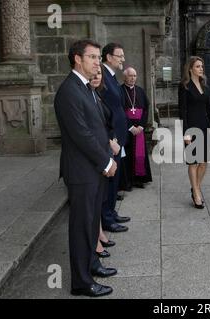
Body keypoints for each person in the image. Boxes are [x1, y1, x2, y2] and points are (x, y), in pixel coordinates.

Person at [54, 39, 118, 297]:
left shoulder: (87, 88)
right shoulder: (69, 91)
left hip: (94, 169)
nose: (96, 62)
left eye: (97, 57)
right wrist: (106, 161)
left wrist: (106, 156)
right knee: (81, 227)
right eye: (92, 57)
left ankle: (92, 263)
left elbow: (98, 127)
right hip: (82, 172)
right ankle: (81, 281)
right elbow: (81, 134)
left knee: (92, 223)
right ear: (77, 59)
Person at [98, 42, 130, 233]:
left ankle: (111, 212)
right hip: (111, 137)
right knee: (109, 179)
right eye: (120, 56)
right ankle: (107, 218)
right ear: (109, 57)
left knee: (115, 177)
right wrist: (111, 137)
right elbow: (103, 110)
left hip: (118, 135)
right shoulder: (101, 76)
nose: (122, 59)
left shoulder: (111, 76)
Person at [89, 70, 120, 258]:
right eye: (93, 74)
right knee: (94, 199)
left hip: (105, 148)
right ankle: (96, 239)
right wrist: (109, 142)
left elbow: (105, 122)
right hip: (96, 153)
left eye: (99, 74)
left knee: (100, 195)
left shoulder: (98, 94)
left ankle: (99, 231)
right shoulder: (86, 95)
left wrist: (112, 138)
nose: (96, 77)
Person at [178, 56, 210, 209]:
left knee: (204, 161)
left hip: (205, 127)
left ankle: (196, 188)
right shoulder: (184, 86)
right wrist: (185, 133)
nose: (201, 69)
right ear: (190, 68)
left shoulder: (205, 85)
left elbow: (208, 109)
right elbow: (183, 111)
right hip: (191, 128)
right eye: (198, 66)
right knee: (194, 162)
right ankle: (197, 193)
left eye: (202, 66)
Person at [120, 67, 153, 190]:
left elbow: (146, 109)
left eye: (134, 76)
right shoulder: (120, 91)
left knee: (140, 154)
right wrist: (130, 127)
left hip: (139, 128)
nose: (133, 78)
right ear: (125, 77)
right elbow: (120, 112)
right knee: (127, 155)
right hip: (126, 128)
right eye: (130, 76)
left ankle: (139, 180)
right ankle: (128, 181)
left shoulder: (140, 91)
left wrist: (141, 126)